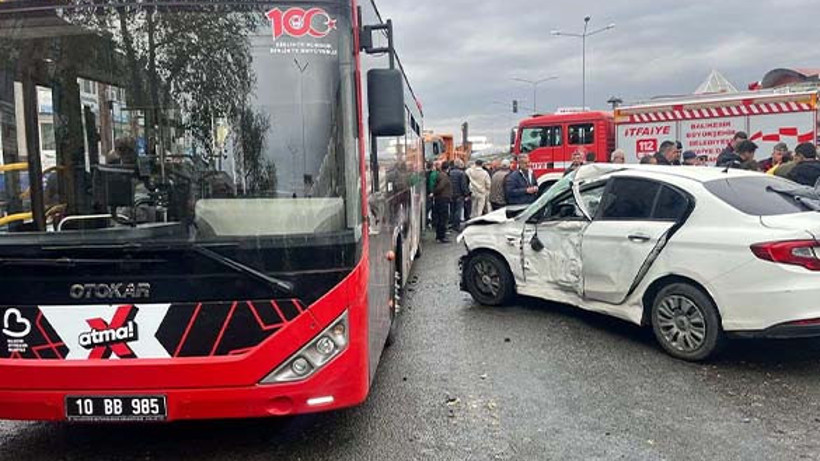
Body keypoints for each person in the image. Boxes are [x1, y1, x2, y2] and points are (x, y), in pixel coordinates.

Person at [433, 162, 453, 243]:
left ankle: (439, 236)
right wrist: (435, 192)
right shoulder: (444, 176)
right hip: (443, 199)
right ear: (447, 168)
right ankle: (442, 236)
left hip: (440, 199)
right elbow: (441, 186)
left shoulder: (440, 175)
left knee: (440, 217)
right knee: (443, 218)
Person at [448, 159, 470, 231]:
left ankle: (451, 223)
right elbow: (463, 185)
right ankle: (456, 226)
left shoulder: (450, 172)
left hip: (451, 194)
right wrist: (466, 194)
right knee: (458, 210)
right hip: (459, 194)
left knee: (452, 209)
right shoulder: (461, 173)